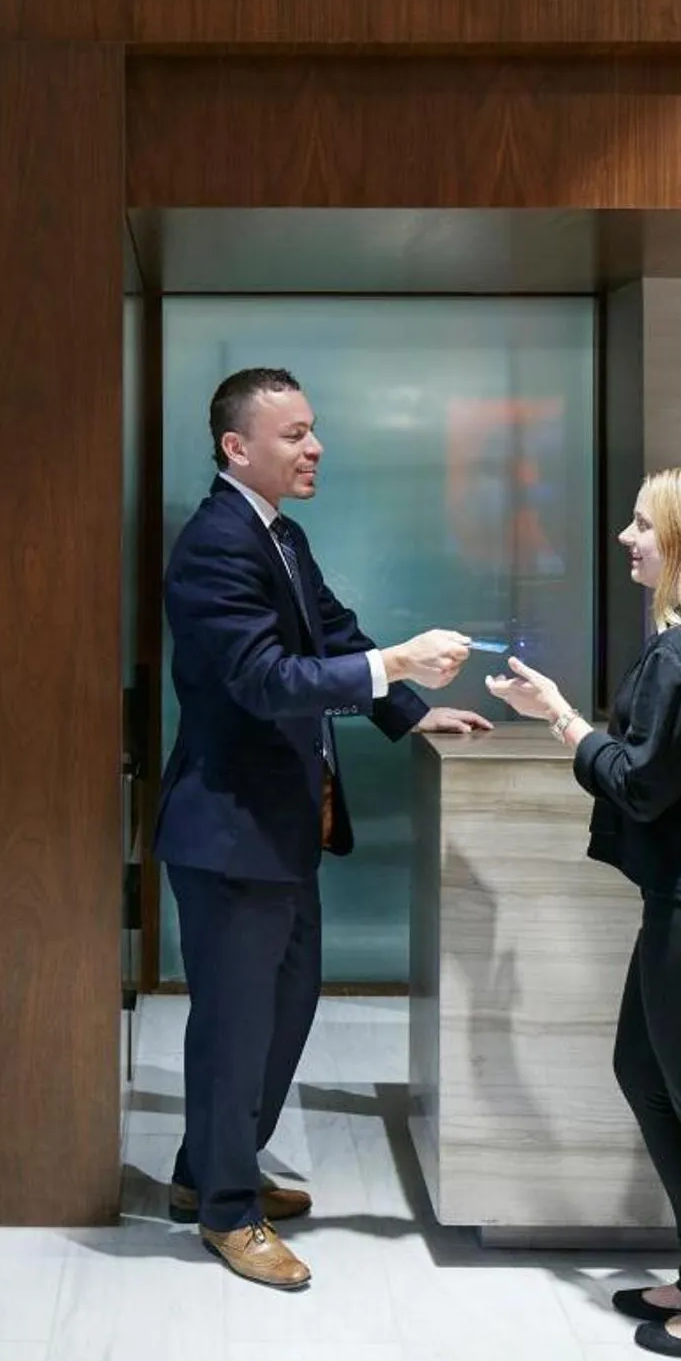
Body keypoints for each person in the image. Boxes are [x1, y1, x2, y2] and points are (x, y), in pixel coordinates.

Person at [157, 366, 489, 1290]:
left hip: (281, 828)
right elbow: (266, 681)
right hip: (228, 829)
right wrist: (397, 663)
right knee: (236, 1027)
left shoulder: (279, 533)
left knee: (285, 1004)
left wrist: (408, 709)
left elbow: (333, 635)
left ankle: (204, 1173)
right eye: (295, 434)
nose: (316, 448)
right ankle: (228, 1212)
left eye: (312, 430)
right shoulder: (216, 545)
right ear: (237, 448)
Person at [489, 466, 681, 1360]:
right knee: (644, 1071)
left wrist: (559, 717)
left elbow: (638, 784)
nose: (627, 538)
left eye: (643, 524)